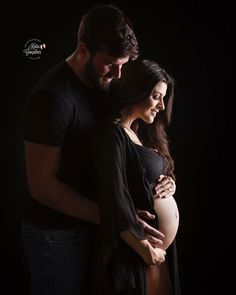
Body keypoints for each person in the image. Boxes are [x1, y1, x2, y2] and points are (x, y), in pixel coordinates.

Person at [21, 4, 176, 295]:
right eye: (110, 64)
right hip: (57, 236)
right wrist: (117, 217)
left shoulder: (103, 84)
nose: (118, 74)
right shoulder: (52, 98)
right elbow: (41, 186)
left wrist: (164, 179)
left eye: (123, 65)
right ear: (82, 51)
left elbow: (130, 152)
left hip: (97, 229)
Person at [93, 59, 181, 295]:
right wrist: (144, 249)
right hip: (139, 250)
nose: (161, 105)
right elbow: (113, 198)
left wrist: (169, 183)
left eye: (163, 98)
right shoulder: (113, 135)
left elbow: (149, 177)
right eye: (155, 96)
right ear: (136, 89)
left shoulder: (140, 133)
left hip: (156, 253)